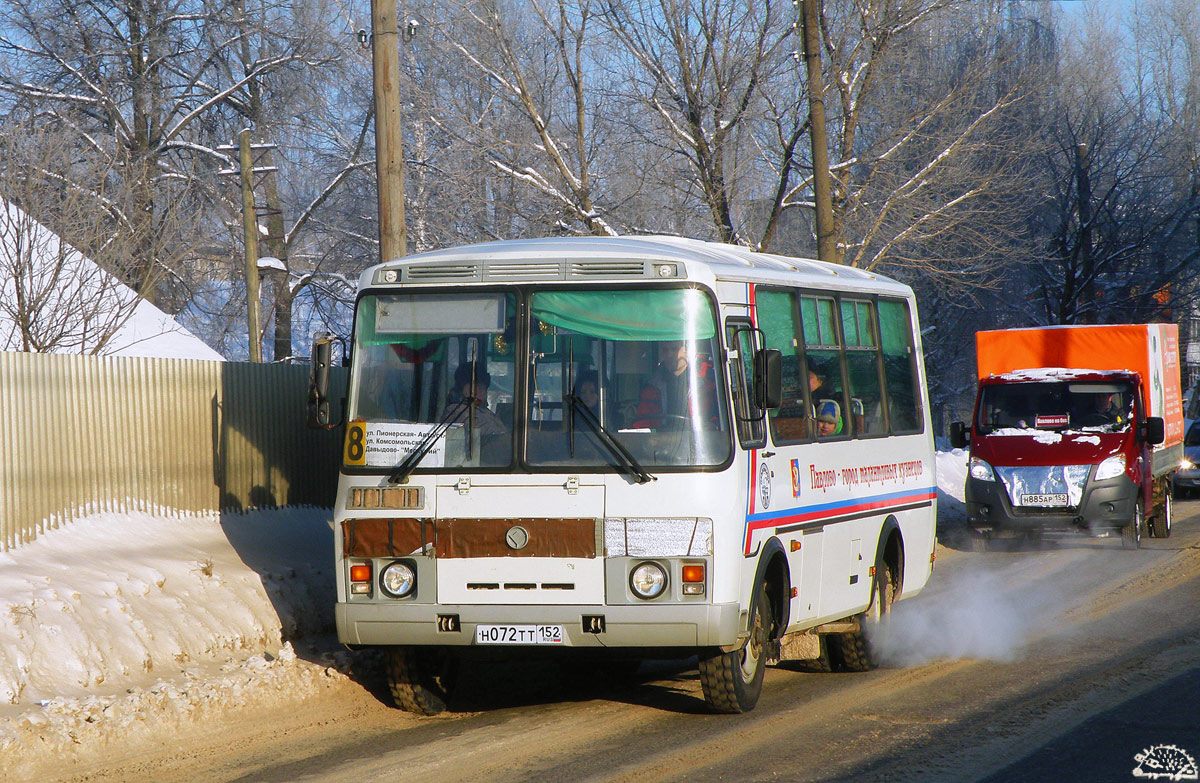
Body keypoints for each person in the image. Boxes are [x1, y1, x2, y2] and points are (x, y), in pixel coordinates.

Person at [448, 363, 507, 435]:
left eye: (482, 387)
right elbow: (481, 436)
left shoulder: (485, 411)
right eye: (473, 387)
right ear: (461, 388)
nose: (477, 391)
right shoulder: (456, 411)